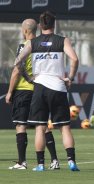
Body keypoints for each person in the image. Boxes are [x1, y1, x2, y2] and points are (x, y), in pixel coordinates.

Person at [14, 11, 79, 171]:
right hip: (58, 87)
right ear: (54, 24)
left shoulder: (32, 43)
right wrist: (70, 77)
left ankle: (41, 164)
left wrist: (29, 78)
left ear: (40, 25)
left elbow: (18, 62)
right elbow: (75, 59)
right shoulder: (63, 40)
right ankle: (71, 161)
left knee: (40, 128)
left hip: (40, 88)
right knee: (64, 127)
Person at [5, 18, 59, 170]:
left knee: (21, 125)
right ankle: (55, 160)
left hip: (23, 90)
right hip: (41, 90)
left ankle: (22, 162)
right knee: (43, 126)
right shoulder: (44, 46)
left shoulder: (24, 46)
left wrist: (9, 92)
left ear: (26, 31)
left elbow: (17, 70)